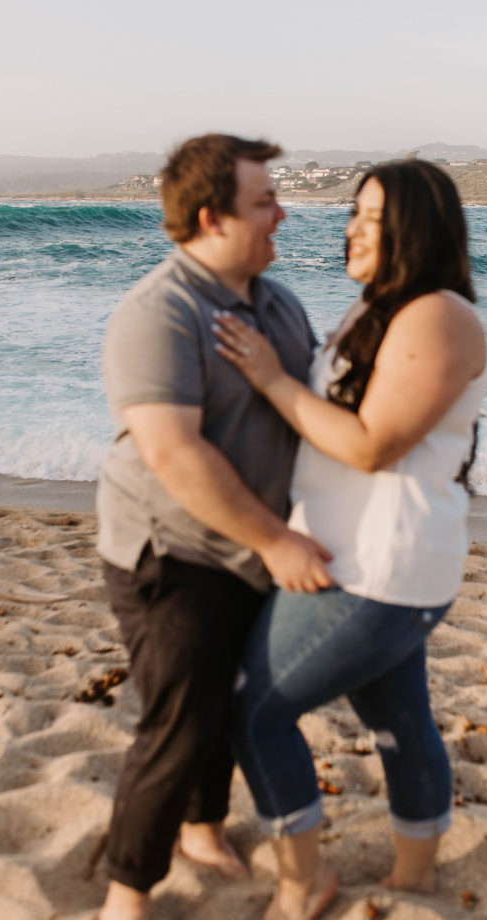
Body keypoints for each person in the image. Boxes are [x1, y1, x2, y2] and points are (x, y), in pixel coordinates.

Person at [213, 159, 487, 920]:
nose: (351, 230)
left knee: (252, 711)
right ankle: (415, 878)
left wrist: (271, 377)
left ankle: (305, 882)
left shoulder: (436, 315)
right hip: (365, 557)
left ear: (416, 229)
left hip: (378, 568)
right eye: (352, 214)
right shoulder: (377, 309)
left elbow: (371, 445)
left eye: (370, 218)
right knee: (398, 719)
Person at [96, 133, 333, 920]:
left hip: (249, 548)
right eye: (263, 201)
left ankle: (201, 830)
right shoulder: (159, 311)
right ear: (211, 217)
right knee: (178, 722)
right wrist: (276, 540)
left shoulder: (276, 302)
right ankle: (127, 894)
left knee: (227, 705)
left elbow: (311, 413)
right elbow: (173, 453)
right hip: (171, 550)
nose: (281, 213)